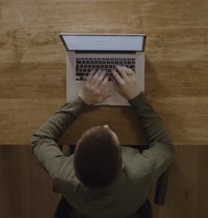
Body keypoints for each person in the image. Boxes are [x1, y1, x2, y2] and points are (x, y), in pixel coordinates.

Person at [31, 66, 174, 218]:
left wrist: (82, 100)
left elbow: (40, 139)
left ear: (72, 162)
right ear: (123, 164)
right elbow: (164, 145)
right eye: (113, 137)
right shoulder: (141, 172)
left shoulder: (63, 175)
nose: (105, 126)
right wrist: (136, 97)